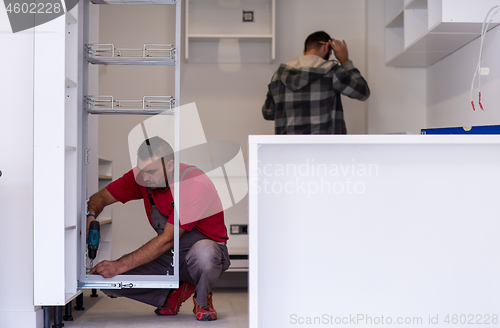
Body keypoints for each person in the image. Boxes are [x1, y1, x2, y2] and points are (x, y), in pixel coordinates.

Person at [86, 136, 230, 321]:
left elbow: (168, 238)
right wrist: (91, 215)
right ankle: (174, 293)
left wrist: (119, 265)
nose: (145, 178)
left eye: (151, 172)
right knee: (107, 281)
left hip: (203, 251)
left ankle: (202, 299)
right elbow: (101, 197)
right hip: (170, 253)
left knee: (204, 254)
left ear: (170, 166)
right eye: (141, 171)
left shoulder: (193, 183)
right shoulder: (143, 176)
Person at [262, 31, 370, 135]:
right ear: (326, 47)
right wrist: (345, 61)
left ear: (305, 51)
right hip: (325, 150)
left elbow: (268, 113)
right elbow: (363, 92)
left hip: (288, 150)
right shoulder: (332, 72)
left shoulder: (279, 75)